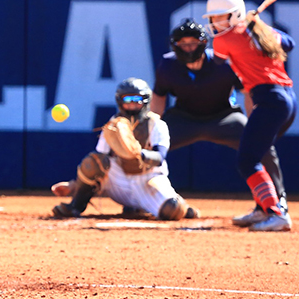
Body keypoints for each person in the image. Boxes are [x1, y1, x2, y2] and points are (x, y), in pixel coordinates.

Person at [150, 18, 289, 223]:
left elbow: (248, 92)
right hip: (183, 119)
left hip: (225, 118)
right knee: (146, 145)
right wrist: (152, 127)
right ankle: (136, 200)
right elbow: (159, 97)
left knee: (262, 144)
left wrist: (254, 123)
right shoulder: (168, 65)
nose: (189, 49)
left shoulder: (223, 63)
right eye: (183, 44)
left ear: (203, 43)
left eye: (194, 43)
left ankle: (276, 202)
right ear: (175, 46)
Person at [203, 0, 297, 232]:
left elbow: (218, 61)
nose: (215, 23)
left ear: (234, 15)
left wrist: (247, 26)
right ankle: (261, 209)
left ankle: (276, 213)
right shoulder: (260, 31)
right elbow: (289, 43)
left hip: (270, 101)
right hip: (287, 101)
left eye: (220, 17)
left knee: (247, 160)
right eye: (213, 18)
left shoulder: (224, 40)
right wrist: (257, 24)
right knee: (258, 151)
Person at [51, 77, 200, 221]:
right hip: (119, 181)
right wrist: (73, 185)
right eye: (128, 100)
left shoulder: (156, 124)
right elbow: (98, 160)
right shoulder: (113, 125)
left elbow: (159, 158)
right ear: (120, 101)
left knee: (172, 209)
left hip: (148, 180)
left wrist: (138, 153)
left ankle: (180, 207)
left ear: (146, 100)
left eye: (137, 100)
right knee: (94, 161)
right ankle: (75, 206)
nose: (132, 104)